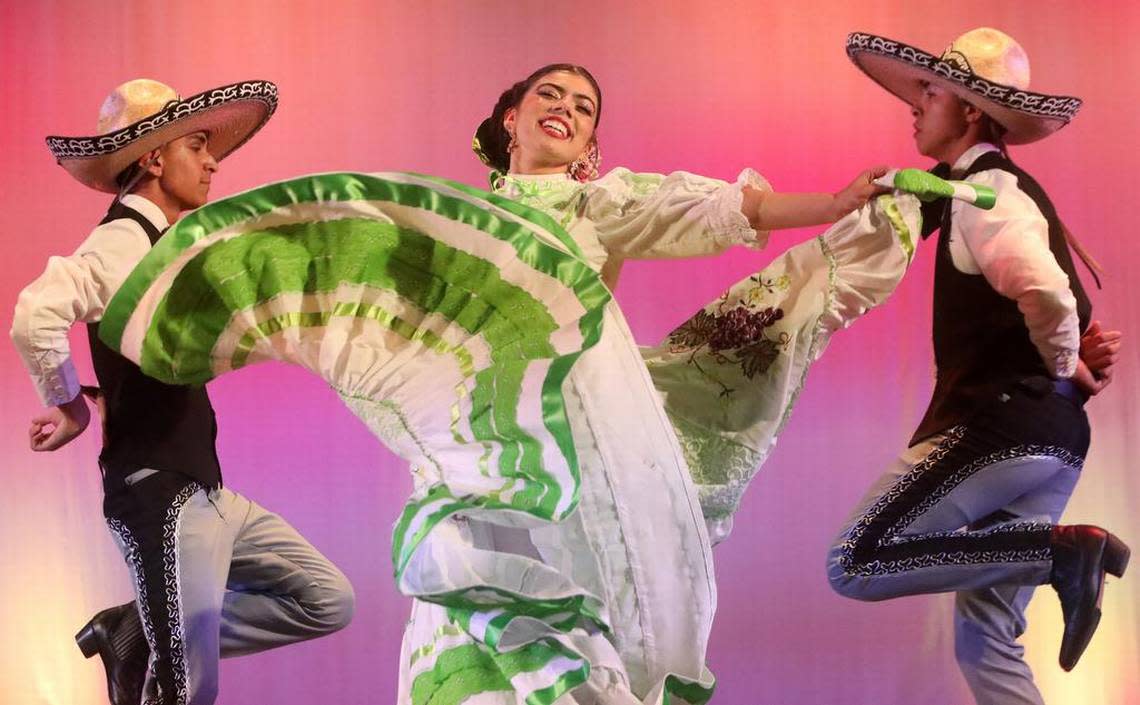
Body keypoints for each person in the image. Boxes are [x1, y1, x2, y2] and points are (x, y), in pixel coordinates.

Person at [12, 79, 355, 705]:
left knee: (326, 600)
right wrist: (69, 409)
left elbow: (131, 341)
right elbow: (36, 313)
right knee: (186, 691)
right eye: (197, 147)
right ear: (153, 158)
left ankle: (138, 631)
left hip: (207, 493)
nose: (213, 162)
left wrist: (99, 388)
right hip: (162, 496)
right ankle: (153, 638)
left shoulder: (166, 247)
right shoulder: (123, 241)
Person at [827, 28, 1129, 705]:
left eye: (929, 91)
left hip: (1003, 427)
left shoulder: (988, 194)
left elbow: (1046, 292)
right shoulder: (981, 189)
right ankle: (1057, 549)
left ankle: (1060, 553)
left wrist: (1059, 356)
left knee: (855, 559)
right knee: (986, 639)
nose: (915, 103)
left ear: (967, 109)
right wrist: (1069, 360)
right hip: (1052, 437)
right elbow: (1055, 307)